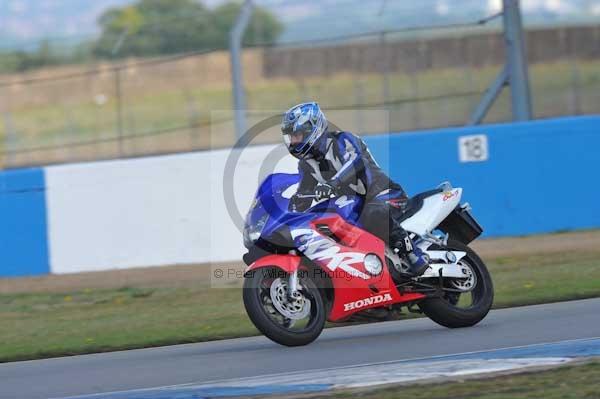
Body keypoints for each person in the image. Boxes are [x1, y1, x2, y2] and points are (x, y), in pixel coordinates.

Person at [281, 102, 429, 277]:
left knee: (371, 211)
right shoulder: (306, 165)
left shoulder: (343, 140)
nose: (293, 141)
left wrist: (333, 184)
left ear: (311, 129)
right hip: (353, 205)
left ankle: (412, 255)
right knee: (325, 223)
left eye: (296, 135)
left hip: (383, 195)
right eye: (291, 137)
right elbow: (304, 194)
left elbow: (355, 163)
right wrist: (287, 213)